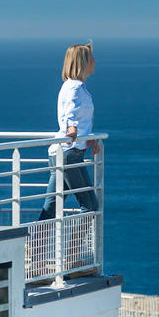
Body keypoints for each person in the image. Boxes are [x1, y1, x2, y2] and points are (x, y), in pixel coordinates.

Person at [38, 43, 100, 221]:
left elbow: (79, 117)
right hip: (69, 154)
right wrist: (71, 128)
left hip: (66, 153)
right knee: (90, 206)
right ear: (83, 62)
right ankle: (74, 240)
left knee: (52, 206)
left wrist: (88, 139)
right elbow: (70, 111)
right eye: (92, 59)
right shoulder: (75, 88)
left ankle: (34, 238)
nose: (95, 62)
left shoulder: (74, 86)